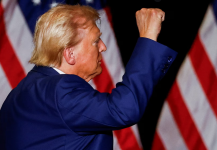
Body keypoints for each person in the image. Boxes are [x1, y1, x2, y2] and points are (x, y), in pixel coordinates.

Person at [0, 4, 177, 150]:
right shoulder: (59, 90)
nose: (103, 47)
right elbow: (123, 109)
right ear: (70, 54)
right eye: (95, 41)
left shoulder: (19, 94)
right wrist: (148, 37)